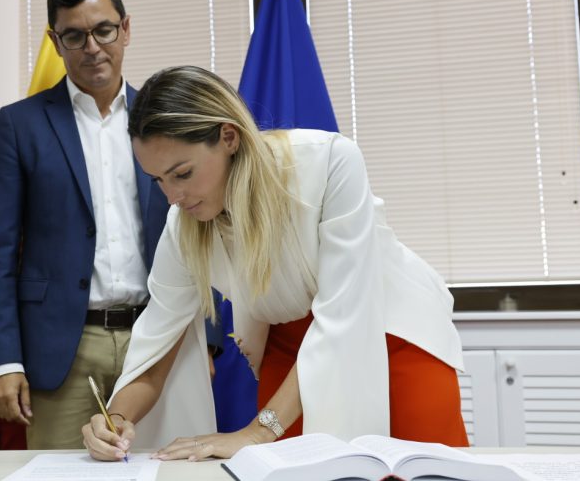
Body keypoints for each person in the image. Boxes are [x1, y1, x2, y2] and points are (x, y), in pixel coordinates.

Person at [82, 65, 468, 462]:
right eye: (158, 180)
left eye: (182, 173)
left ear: (228, 136)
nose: (172, 196)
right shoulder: (183, 227)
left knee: (427, 466)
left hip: (390, 329)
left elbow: (343, 317)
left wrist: (255, 432)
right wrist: (115, 419)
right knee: (285, 470)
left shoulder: (330, 162)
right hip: (287, 345)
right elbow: (155, 345)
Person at [0, 0, 219, 449]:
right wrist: (4, 362)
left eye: (104, 30)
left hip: (159, 337)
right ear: (56, 41)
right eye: (74, 35)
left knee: (168, 471)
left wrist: (206, 336)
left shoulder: (167, 119)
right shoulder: (20, 125)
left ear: (126, 29)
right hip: (63, 350)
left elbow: (205, 223)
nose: (91, 47)